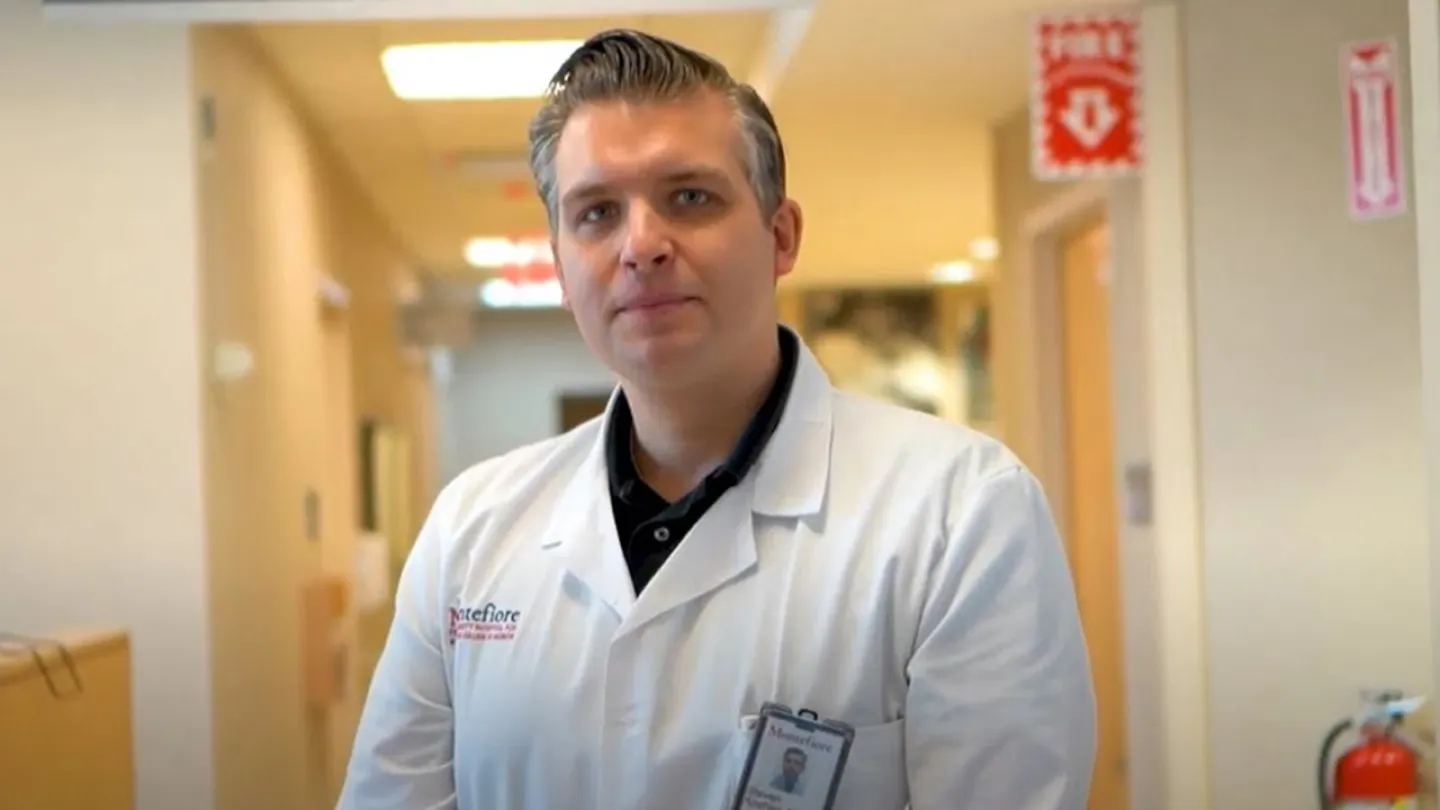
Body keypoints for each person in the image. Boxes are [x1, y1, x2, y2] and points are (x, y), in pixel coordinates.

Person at [337, 28, 1096, 810]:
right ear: (561, 269)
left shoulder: (961, 512)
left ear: (781, 236)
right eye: (596, 213)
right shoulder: (471, 529)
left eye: (690, 198)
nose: (641, 245)